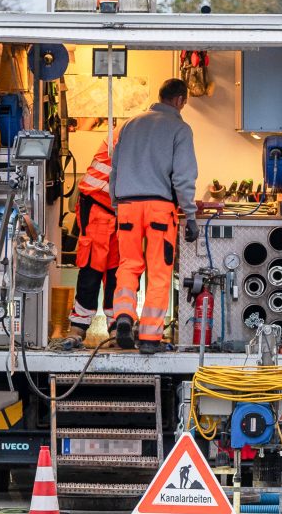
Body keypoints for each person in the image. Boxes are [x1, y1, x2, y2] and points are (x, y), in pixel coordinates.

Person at [109, 78, 199, 354]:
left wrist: (116, 203)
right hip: (160, 208)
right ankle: (149, 337)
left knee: (128, 264)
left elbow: (115, 169)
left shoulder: (130, 124)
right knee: (159, 271)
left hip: (127, 205)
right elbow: (183, 176)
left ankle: (123, 316)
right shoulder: (180, 128)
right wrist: (191, 215)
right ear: (180, 100)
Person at [67, 129, 119, 343]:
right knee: (93, 267)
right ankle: (79, 325)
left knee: (117, 269)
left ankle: (116, 325)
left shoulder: (134, 133)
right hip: (99, 204)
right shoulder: (133, 136)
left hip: (117, 209)